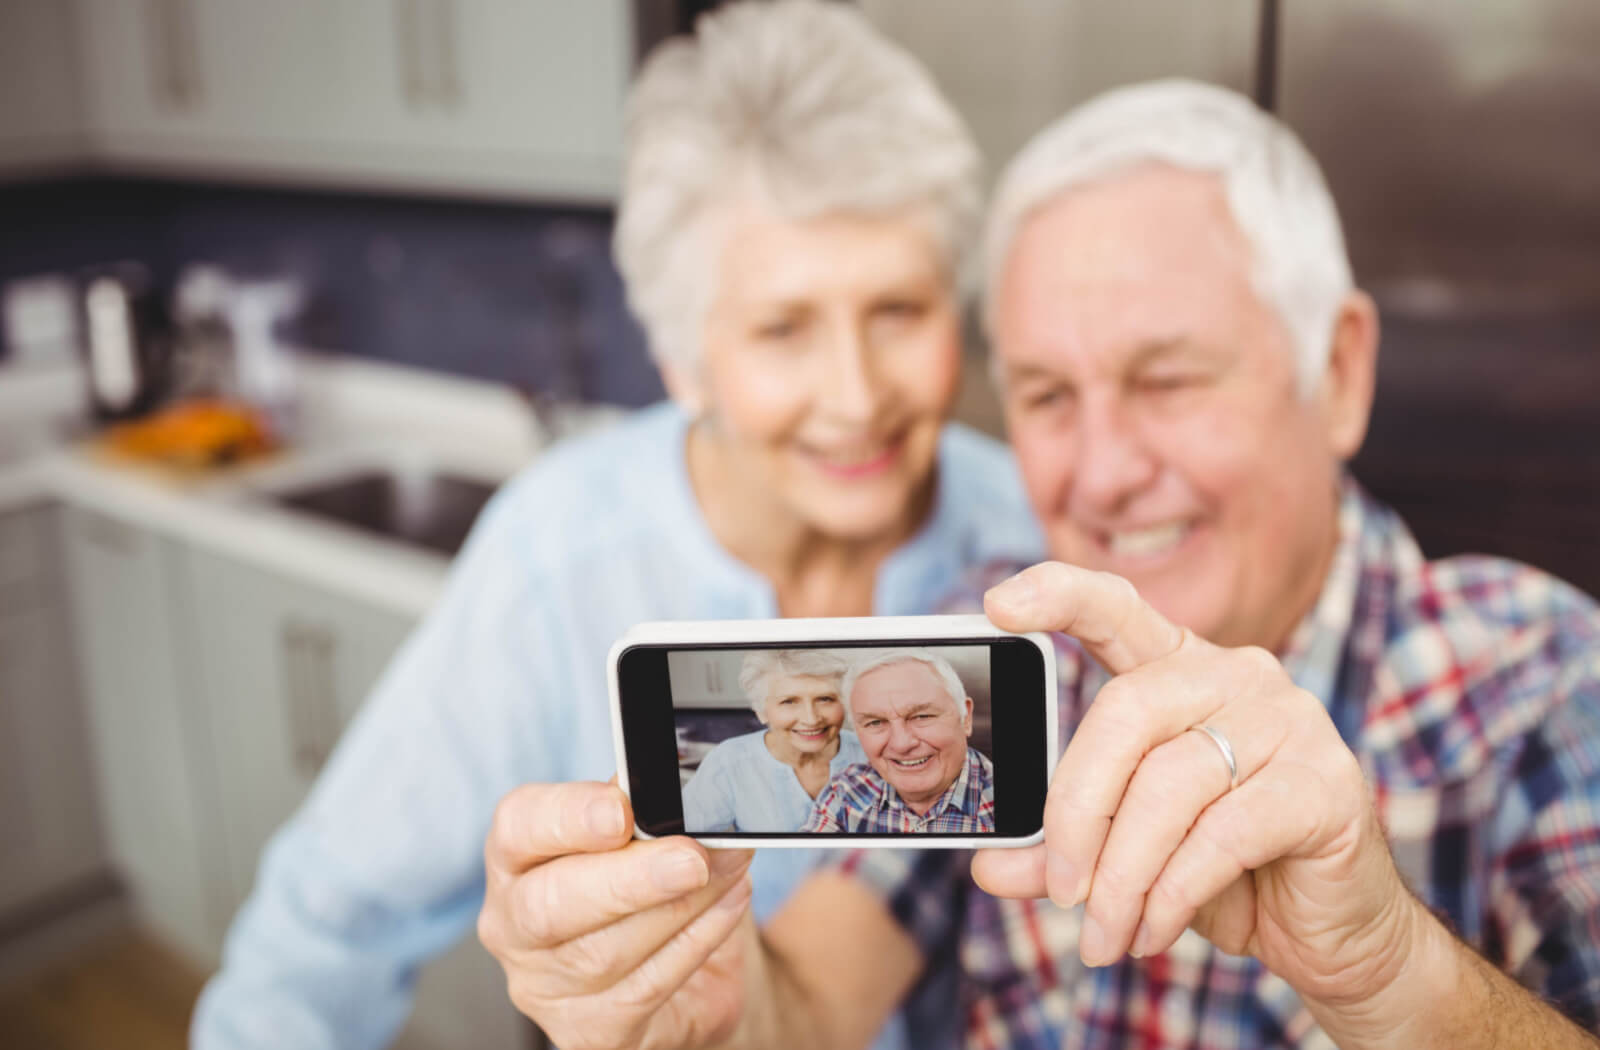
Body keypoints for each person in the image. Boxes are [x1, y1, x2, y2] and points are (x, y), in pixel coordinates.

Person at [475, 79, 1600, 1050]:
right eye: (1048, 397)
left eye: (1167, 379)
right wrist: (713, 1011)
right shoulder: (994, 648)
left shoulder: (1545, 682)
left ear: (1340, 372)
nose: (1101, 473)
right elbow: (811, 1003)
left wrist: (1393, 969)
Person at [190, 3, 1042, 1047]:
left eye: (898, 312)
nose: (856, 394)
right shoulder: (554, 555)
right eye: (783, 328)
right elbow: (328, 923)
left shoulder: (1026, 530)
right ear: (685, 361)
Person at [802, 650, 992, 833]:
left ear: (965, 717)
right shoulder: (847, 791)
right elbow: (810, 864)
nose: (901, 744)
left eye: (922, 716)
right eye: (875, 722)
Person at [682, 650, 866, 833]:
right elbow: (682, 842)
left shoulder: (870, 753)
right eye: (789, 702)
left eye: (825, 699)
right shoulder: (729, 760)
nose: (811, 719)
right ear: (761, 711)